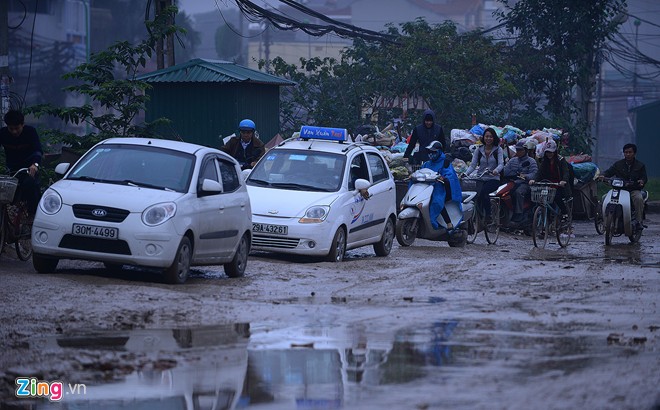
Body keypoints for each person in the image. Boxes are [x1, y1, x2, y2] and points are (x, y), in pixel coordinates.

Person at [0, 109, 43, 216]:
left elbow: (38, 150)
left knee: (31, 185)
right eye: (11, 129)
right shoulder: (2, 134)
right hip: (12, 170)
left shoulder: (30, 132)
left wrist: (35, 165)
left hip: (29, 169)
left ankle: (33, 215)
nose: (14, 131)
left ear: (22, 125)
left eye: (17, 128)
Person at [598, 143, 647, 226]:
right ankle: (603, 219)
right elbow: (609, 172)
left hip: (633, 190)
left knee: (638, 198)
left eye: (630, 152)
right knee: (604, 198)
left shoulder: (640, 165)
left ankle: (639, 222)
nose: (627, 154)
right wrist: (602, 176)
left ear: (634, 153)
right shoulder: (618, 164)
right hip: (619, 190)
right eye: (626, 152)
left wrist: (641, 181)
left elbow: (644, 177)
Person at [464, 127, 503, 222]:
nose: (488, 139)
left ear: (494, 138)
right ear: (483, 138)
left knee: (484, 193)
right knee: (473, 194)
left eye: (490, 137)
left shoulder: (498, 150)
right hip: (480, 178)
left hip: (493, 178)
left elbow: (501, 164)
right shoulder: (479, 150)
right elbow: (473, 165)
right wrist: (465, 173)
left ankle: (488, 215)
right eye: (486, 136)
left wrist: (496, 171)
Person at [422, 141, 462, 231]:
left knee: (437, 201)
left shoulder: (445, 162)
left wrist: (443, 178)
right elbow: (421, 172)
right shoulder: (427, 163)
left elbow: (450, 175)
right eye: (430, 152)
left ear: (439, 152)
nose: (431, 154)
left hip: (440, 188)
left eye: (434, 152)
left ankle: (448, 223)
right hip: (426, 188)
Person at [529, 139, 572, 217]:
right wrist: (534, 180)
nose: (549, 154)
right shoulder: (544, 161)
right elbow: (539, 173)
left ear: (555, 152)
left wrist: (563, 181)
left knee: (557, 196)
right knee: (541, 199)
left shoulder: (561, 160)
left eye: (551, 152)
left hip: (559, 185)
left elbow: (566, 172)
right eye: (548, 152)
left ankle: (564, 213)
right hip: (548, 185)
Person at [503, 140, 538, 222]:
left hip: (525, 184)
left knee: (519, 192)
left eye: (520, 150)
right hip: (512, 182)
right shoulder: (512, 160)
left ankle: (519, 213)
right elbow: (505, 171)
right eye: (517, 150)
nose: (518, 152)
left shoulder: (531, 161)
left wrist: (525, 176)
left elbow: (534, 174)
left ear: (525, 151)